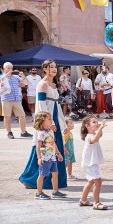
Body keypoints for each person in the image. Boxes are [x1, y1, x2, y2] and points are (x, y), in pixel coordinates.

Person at [20, 60, 68, 190]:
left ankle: (54, 182)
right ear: (45, 69)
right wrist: (48, 123)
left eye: (55, 67)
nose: (54, 69)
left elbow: (56, 105)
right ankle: (30, 179)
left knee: (55, 147)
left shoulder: (53, 84)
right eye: (50, 67)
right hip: (46, 120)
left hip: (55, 117)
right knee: (43, 146)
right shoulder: (42, 84)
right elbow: (41, 106)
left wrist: (63, 122)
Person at [33, 111, 66, 200]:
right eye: (49, 119)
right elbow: (38, 146)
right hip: (45, 158)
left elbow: (53, 144)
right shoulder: (41, 133)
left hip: (52, 157)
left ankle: (55, 191)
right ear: (42, 121)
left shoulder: (50, 132)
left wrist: (58, 154)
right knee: (42, 175)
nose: (51, 120)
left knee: (55, 174)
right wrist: (39, 158)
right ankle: (39, 192)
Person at [80, 116, 108, 210]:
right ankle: (96, 203)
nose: (96, 123)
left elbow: (99, 135)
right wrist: (99, 128)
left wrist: (100, 128)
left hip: (92, 162)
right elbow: (95, 139)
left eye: (97, 121)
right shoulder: (89, 137)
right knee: (98, 181)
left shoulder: (94, 134)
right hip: (90, 163)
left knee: (91, 181)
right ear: (87, 126)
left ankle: (83, 200)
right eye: (94, 122)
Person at [1, 62, 31, 139]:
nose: (10, 69)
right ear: (4, 69)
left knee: (22, 116)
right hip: (6, 99)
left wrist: (23, 76)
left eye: (11, 68)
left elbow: (24, 85)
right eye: (7, 68)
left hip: (16, 99)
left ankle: (23, 132)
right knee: (7, 117)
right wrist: (6, 76)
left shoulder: (16, 77)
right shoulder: (2, 77)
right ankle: (9, 132)